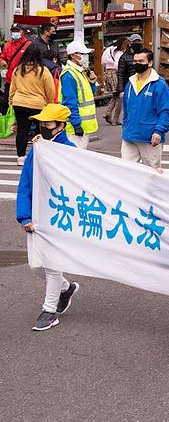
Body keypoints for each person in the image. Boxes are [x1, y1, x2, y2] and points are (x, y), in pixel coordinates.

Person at [16, 103, 81, 332]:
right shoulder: (37, 148)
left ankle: (49, 311)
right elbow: (25, 183)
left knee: (52, 264)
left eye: (48, 123)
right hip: (36, 215)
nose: (42, 127)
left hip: (58, 216)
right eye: (41, 123)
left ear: (61, 126)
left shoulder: (70, 151)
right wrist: (24, 215)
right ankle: (65, 288)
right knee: (36, 266)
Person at [121, 48, 169, 169]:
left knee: (152, 172)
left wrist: (159, 131)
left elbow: (166, 112)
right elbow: (126, 109)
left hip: (150, 138)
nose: (137, 64)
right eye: (135, 61)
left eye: (141, 61)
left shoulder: (159, 85)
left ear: (150, 63)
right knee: (126, 171)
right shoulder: (130, 83)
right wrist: (125, 127)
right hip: (130, 136)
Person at [10, 45, 55, 166]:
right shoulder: (42, 71)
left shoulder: (18, 69)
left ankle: (21, 157)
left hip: (19, 103)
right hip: (38, 104)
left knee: (22, 130)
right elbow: (50, 89)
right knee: (40, 130)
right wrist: (49, 103)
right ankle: (38, 154)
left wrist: (11, 101)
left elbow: (12, 88)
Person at [58, 40, 98, 150]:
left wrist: (92, 82)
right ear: (74, 56)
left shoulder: (81, 72)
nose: (86, 56)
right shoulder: (69, 74)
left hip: (82, 126)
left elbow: (88, 95)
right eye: (83, 54)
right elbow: (70, 102)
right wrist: (76, 125)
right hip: (75, 128)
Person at [101, 37, 127, 125]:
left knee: (115, 95)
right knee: (118, 95)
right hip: (115, 73)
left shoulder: (108, 49)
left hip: (108, 73)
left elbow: (102, 62)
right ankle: (115, 118)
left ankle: (108, 113)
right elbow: (117, 64)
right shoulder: (119, 53)